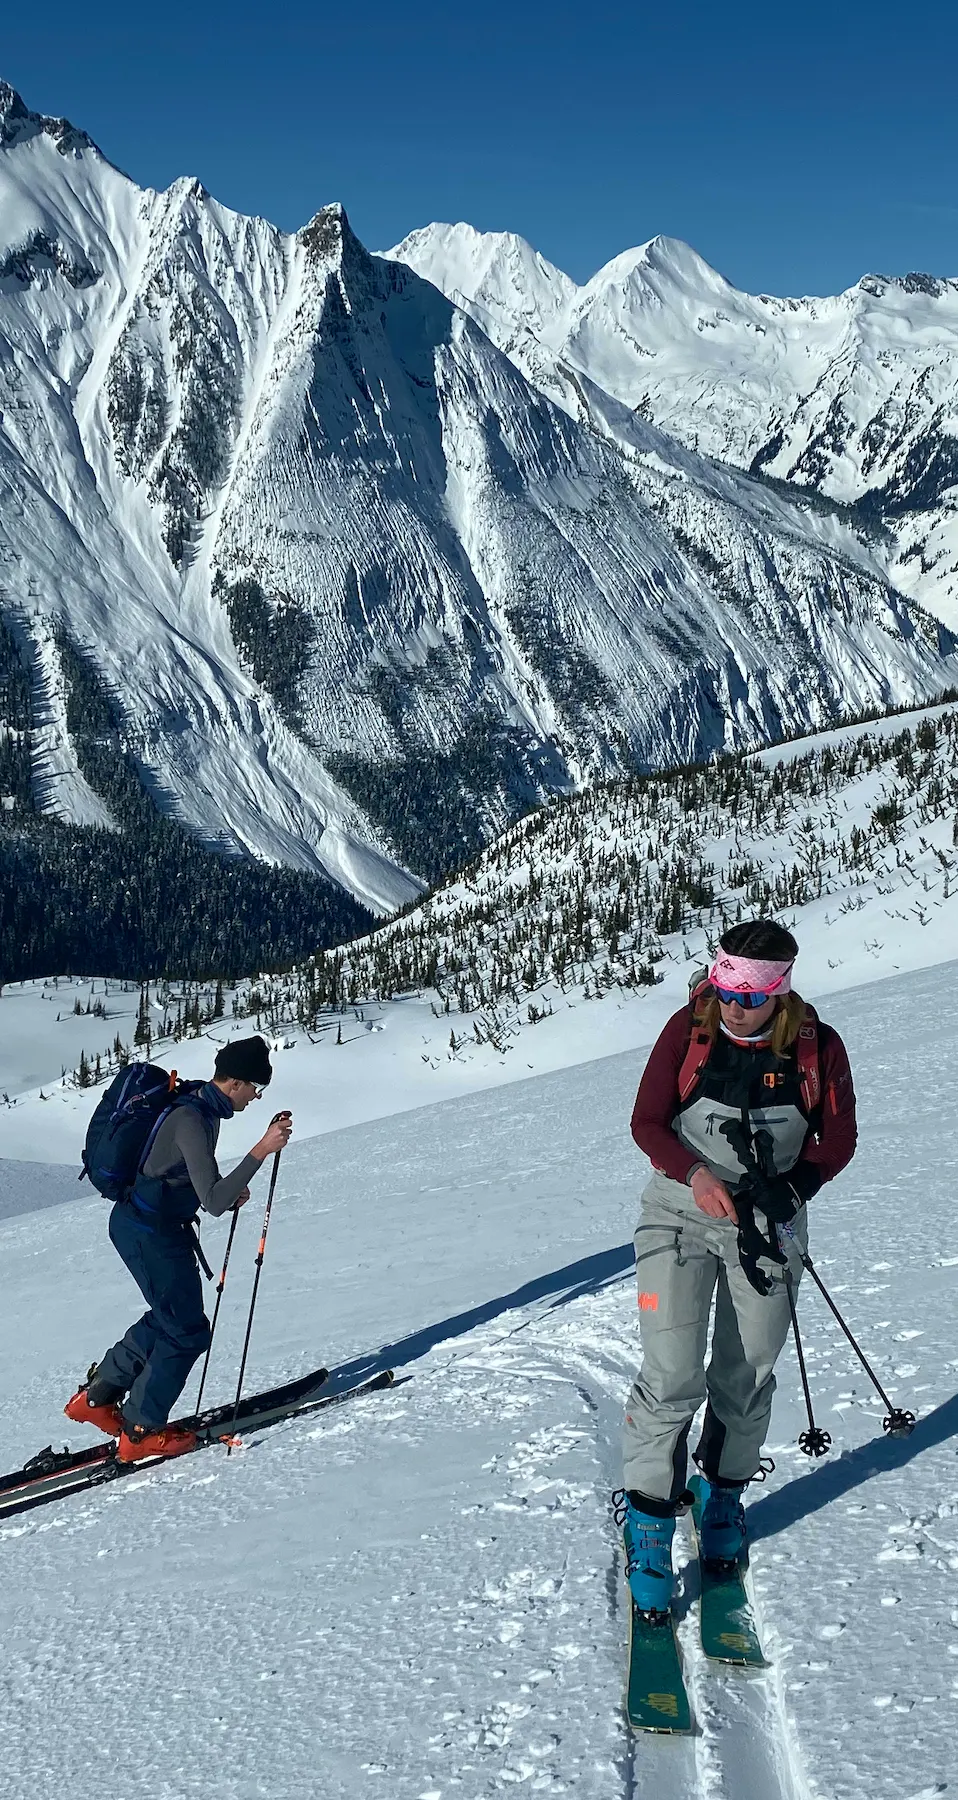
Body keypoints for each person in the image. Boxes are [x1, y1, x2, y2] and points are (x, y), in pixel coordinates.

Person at [618, 919, 857, 1613]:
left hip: (768, 1219)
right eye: (725, 988)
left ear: (781, 991)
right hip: (680, 1211)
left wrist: (797, 1184)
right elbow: (647, 1123)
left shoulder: (818, 1049)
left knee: (747, 1371)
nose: (734, 1005)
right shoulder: (688, 1032)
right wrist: (694, 1175)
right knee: (671, 1374)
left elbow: (837, 1138)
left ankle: (722, 1496)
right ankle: (650, 1522)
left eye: (751, 994)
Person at [64, 1036, 293, 1463]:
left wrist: (228, 1186)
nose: (257, 1097)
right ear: (236, 1083)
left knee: (170, 1319)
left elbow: (196, 1177)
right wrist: (260, 1151)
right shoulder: (193, 1116)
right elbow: (214, 1202)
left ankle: (97, 1398)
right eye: (256, 1087)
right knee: (186, 1331)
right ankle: (139, 1430)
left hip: (149, 1226)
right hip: (150, 1232)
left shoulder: (201, 1107)